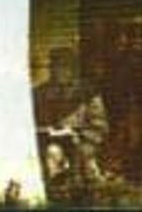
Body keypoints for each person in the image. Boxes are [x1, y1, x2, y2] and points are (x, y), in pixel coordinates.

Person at [33, 46, 109, 203]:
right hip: (49, 146)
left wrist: (80, 139)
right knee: (52, 154)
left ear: (73, 69)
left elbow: (100, 126)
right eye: (55, 67)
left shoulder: (88, 93)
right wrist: (45, 131)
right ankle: (57, 197)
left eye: (64, 67)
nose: (59, 72)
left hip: (82, 146)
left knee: (83, 171)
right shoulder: (40, 93)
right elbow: (32, 122)